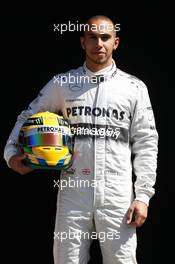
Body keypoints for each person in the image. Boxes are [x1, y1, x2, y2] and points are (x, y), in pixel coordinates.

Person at [4, 15, 158, 264]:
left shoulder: (134, 87)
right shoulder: (64, 83)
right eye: (92, 37)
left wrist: (143, 196)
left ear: (115, 42)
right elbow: (27, 116)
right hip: (74, 190)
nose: (99, 43)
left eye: (105, 37)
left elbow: (146, 142)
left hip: (118, 193)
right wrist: (11, 154)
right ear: (82, 42)